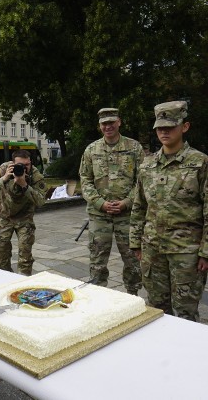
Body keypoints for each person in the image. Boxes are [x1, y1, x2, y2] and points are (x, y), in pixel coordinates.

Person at [129, 101, 208, 321]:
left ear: (185, 126)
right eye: (160, 127)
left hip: (187, 252)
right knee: (155, 309)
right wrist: (136, 243)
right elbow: (139, 206)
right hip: (153, 250)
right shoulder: (147, 165)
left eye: (170, 126)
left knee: (185, 312)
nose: (164, 131)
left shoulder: (201, 164)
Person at [79, 108, 144, 295]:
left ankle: (132, 295)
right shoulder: (92, 150)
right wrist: (100, 203)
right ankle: (99, 297)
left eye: (111, 122)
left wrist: (127, 202)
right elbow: (85, 180)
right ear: (99, 126)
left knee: (133, 260)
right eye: (104, 123)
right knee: (97, 260)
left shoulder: (134, 148)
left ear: (119, 122)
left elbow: (142, 181)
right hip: (99, 215)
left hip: (128, 215)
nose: (108, 126)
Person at [0, 149, 46, 275]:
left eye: (27, 165)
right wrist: (4, 178)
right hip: (4, 215)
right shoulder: (4, 169)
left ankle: (24, 283)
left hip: (24, 217)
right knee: (1, 257)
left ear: (30, 163)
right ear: (12, 163)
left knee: (25, 256)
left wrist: (24, 185)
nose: (24, 168)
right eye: (20, 165)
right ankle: (7, 279)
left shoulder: (35, 175)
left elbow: (41, 201)